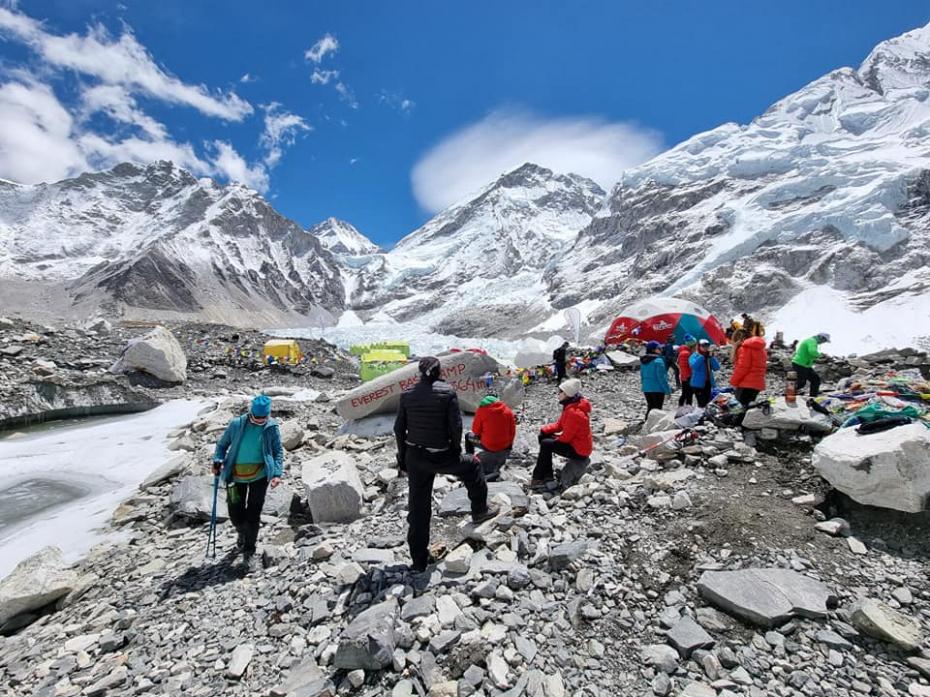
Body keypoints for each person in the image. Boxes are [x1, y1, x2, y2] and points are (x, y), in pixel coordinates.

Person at [395, 357, 498, 573]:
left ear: (420, 373)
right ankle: (480, 511)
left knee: (418, 508)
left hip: (415, 456)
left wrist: (402, 460)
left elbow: (399, 429)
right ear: (440, 372)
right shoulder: (448, 392)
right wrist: (455, 452)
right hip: (441, 454)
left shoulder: (407, 394)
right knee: (472, 466)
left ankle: (419, 561)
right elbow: (456, 427)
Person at [212, 395, 284, 570]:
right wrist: (217, 460)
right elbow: (222, 446)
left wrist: (276, 473)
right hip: (234, 476)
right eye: (257, 417)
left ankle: (249, 552)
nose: (260, 421)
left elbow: (277, 451)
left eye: (263, 418)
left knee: (253, 513)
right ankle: (242, 533)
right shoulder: (237, 424)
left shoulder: (271, 427)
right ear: (251, 412)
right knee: (235, 512)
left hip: (260, 476)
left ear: (268, 415)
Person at [531, 379, 592, 489]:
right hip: (576, 444)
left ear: (567, 394)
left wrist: (554, 438)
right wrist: (545, 430)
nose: (558, 394)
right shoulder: (570, 405)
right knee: (544, 437)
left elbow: (566, 438)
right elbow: (560, 425)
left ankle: (539, 476)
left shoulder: (574, 412)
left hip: (579, 451)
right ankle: (546, 474)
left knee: (546, 444)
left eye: (560, 392)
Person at [465, 393, 516, 482]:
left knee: (467, 436)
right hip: (505, 446)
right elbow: (512, 432)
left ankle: (470, 459)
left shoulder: (482, 410)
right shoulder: (508, 411)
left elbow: (475, 431)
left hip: (488, 446)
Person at [730, 335, 767, 407]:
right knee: (748, 408)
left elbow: (742, 368)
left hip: (745, 384)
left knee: (739, 409)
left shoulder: (745, 349)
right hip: (757, 384)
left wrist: (733, 382)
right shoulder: (762, 350)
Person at [792, 333, 830, 397]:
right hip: (800, 364)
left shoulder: (811, 341)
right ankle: (789, 392)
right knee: (801, 383)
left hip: (805, 365)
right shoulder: (812, 341)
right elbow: (812, 351)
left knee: (815, 379)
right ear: (821, 338)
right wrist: (820, 355)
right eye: (824, 341)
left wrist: (817, 359)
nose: (823, 342)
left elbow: (809, 354)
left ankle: (813, 396)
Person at [641, 341, 672, 417]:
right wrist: (667, 390)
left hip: (646, 388)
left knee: (650, 407)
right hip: (657, 389)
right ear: (653, 350)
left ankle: (646, 423)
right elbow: (662, 378)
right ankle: (653, 426)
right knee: (657, 409)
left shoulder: (643, 361)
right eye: (659, 348)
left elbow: (642, 375)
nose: (661, 350)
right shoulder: (658, 361)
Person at [688, 339, 720, 408]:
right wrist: (702, 357)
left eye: (707, 346)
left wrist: (711, 358)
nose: (705, 348)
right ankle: (701, 416)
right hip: (697, 384)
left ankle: (705, 417)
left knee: (707, 403)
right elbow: (694, 366)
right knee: (701, 403)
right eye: (703, 346)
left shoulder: (708, 356)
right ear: (699, 346)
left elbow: (716, 367)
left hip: (708, 383)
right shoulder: (694, 356)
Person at [677, 335, 697, 406]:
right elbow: (685, 367)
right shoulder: (686, 354)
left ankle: (683, 407)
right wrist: (689, 378)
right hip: (687, 378)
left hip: (686, 377)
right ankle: (684, 408)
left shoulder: (686, 352)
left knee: (687, 394)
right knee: (688, 394)